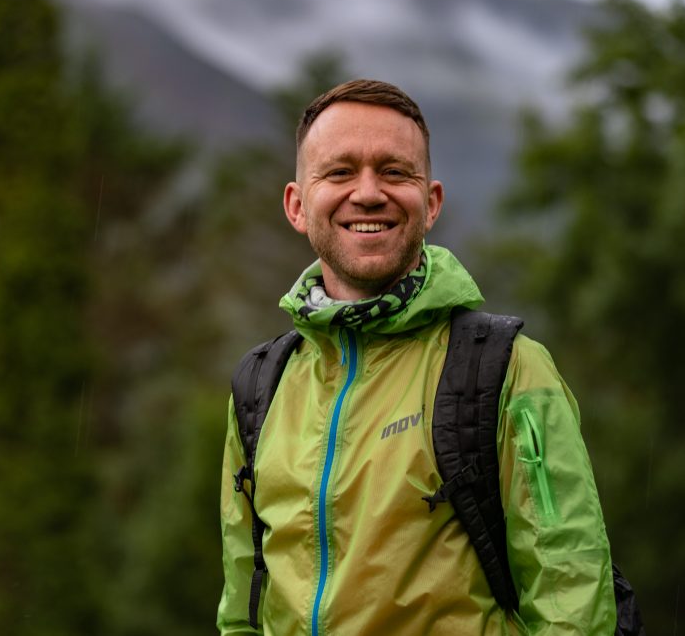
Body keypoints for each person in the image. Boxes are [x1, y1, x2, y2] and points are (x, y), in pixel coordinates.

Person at [217, 79, 616, 635]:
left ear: (430, 204)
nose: (368, 192)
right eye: (339, 172)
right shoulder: (260, 387)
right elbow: (242, 608)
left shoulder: (508, 371)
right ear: (297, 205)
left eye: (394, 171)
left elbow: (571, 599)